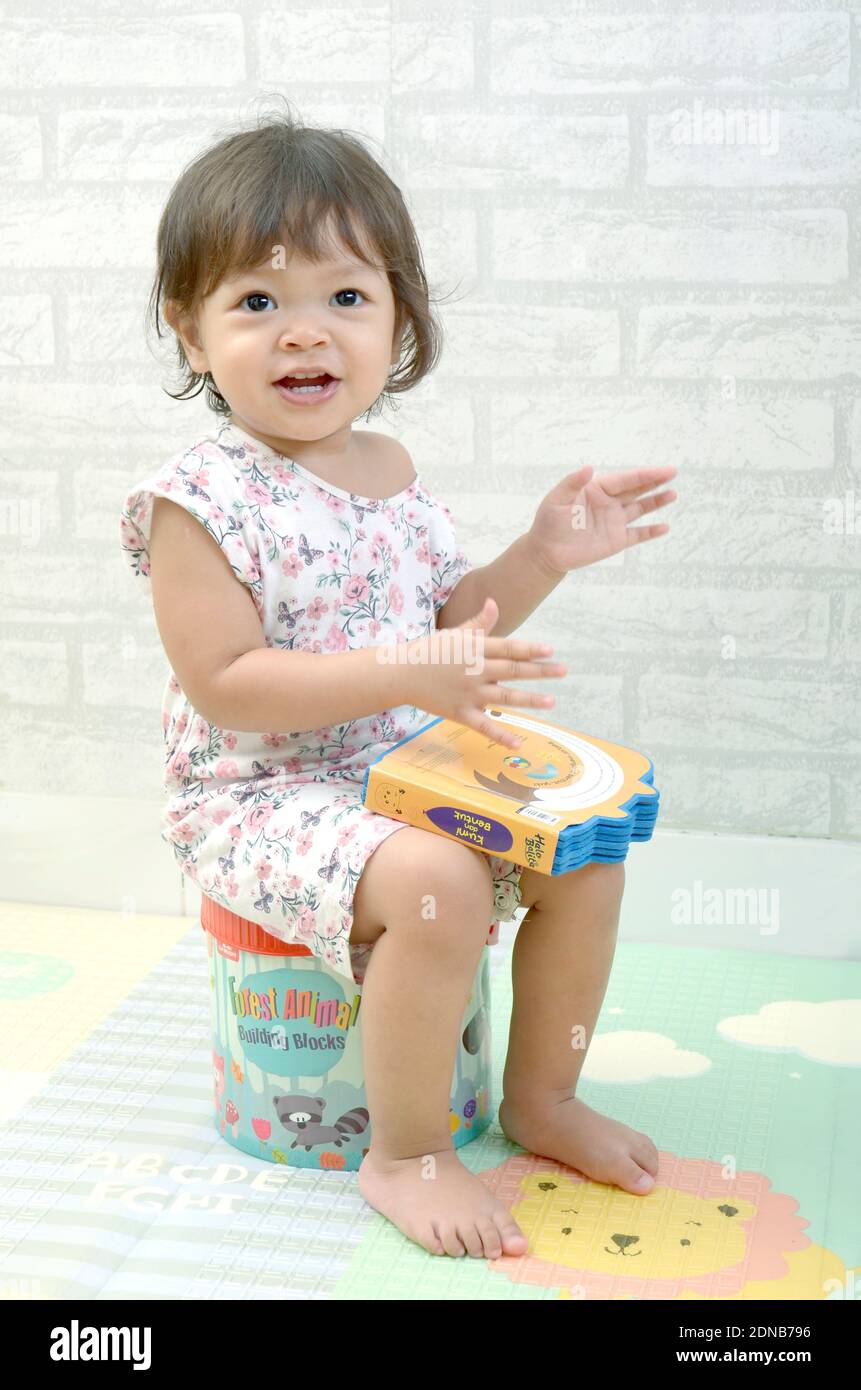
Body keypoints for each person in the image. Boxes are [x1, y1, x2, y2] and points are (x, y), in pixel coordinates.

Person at [119, 109, 677, 1260]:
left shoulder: (395, 474)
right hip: (258, 795)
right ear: (189, 331)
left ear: (398, 318)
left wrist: (538, 556)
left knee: (590, 839)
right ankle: (408, 1149)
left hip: (394, 765)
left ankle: (542, 1096)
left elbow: (441, 631)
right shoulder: (199, 500)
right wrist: (414, 673)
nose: (302, 334)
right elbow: (228, 685)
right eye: (257, 302)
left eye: (345, 298)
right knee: (436, 880)